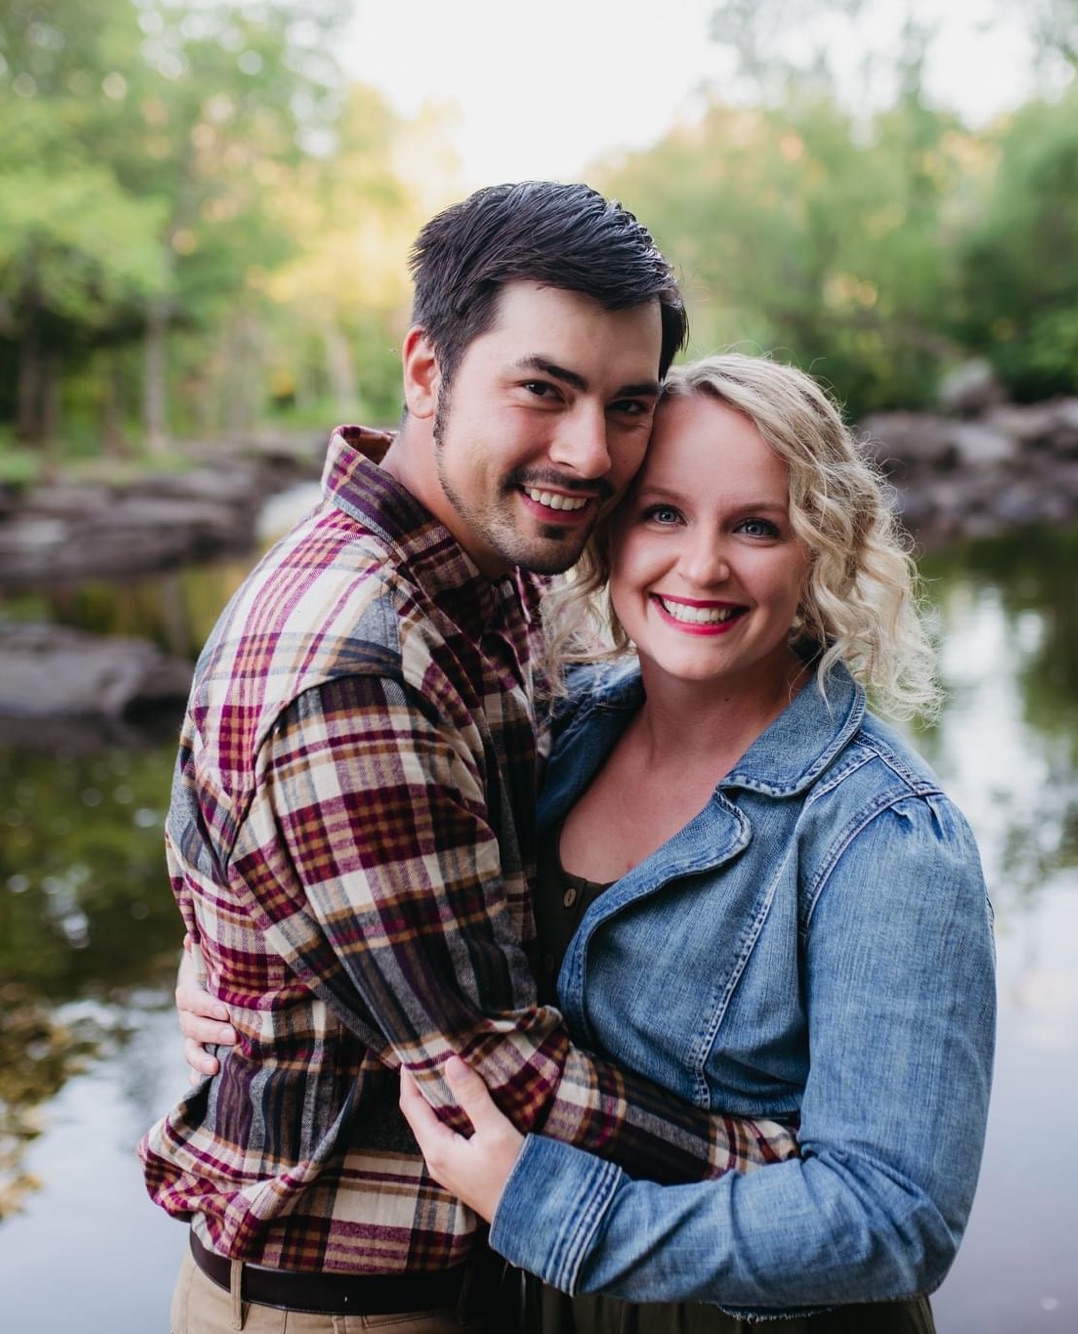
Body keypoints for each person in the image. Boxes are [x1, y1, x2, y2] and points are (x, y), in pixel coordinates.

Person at [183, 355, 998, 1329]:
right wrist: (238, 970)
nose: (702, 566)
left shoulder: (885, 838)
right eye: (662, 513)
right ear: (605, 530)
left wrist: (550, 1208)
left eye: (755, 525)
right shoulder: (558, 731)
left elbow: (897, 1222)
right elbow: (385, 893)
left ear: (818, 549)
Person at [141, 184, 800, 1334]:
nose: (589, 451)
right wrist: (785, 1170)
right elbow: (491, 1068)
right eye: (542, 389)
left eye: (626, 405)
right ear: (425, 370)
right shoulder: (354, 668)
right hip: (352, 1305)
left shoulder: (479, 576)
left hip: (485, 1271)